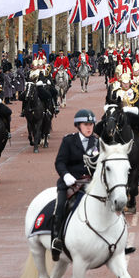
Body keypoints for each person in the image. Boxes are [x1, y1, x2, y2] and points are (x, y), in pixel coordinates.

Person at [51, 109, 99, 262]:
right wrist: (66, 175)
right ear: (78, 125)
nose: (89, 128)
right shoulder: (68, 141)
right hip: (71, 183)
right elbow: (60, 162)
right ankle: (56, 240)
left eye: (91, 124)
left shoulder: (97, 141)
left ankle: (119, 240)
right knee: (60, 207)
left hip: (91, 183)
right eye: (86, 124)